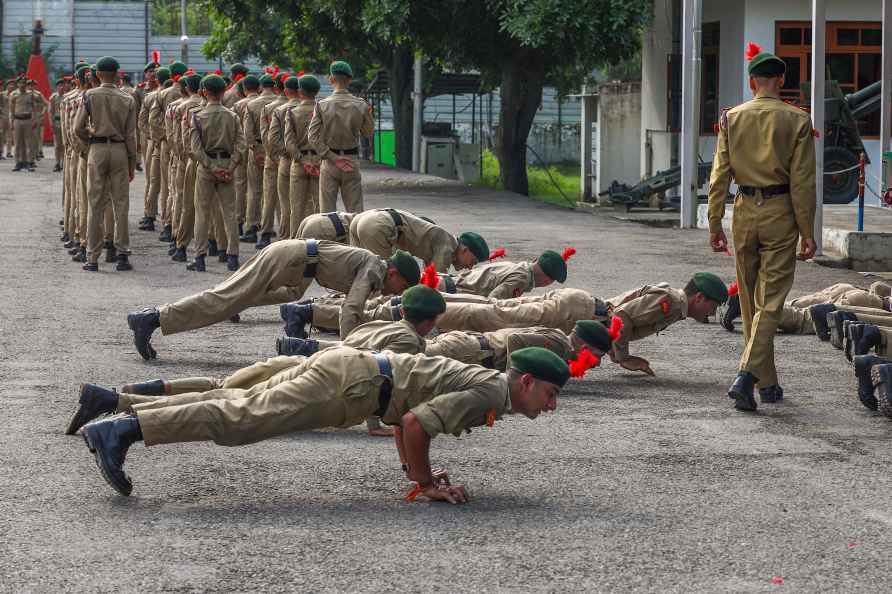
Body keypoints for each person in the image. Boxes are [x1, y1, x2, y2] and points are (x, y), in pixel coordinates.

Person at [75, 346, 569, 501]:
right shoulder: (491, 391)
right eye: (549, 395)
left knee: (239, 400)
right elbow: (417, 422)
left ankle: (122, 419)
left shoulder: (492, 386)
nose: (550, 407)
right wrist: (426, 483)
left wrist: (414, 474)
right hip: (350, 386)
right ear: (525, 381)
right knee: (241, 419)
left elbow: (403, 419)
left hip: (353, 370)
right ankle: (122, 431)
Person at [707, 42, 817, 412]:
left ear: (752, 81)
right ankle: (747, 375)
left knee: (751, 298)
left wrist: (713, 223)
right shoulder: (797, 120)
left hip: (743, 212)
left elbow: (719, 174)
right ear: (780, 80)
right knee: (770, 300)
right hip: (780, 212)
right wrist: (807, 230)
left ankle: (766, 385)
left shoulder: (732, 118)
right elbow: (803, 182)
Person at [126, 242, 420, 360]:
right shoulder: (373, 269)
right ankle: (152, 319)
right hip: (291, 259)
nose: (395, 293)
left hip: (299, 264)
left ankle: (228, 301)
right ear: (393, 272)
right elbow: (350, 311)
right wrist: (350, 353)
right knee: (224, 300)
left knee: (272, 295)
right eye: (401, 286)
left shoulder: (375, 269)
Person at [72, 56, 138, 272]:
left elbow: (77, 128)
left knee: (95, 204)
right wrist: (131, 162)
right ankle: (122, 256)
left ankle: (92, 257)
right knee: (121, 204)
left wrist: (90, 137)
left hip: (97, 149)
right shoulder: (127, 98)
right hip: (119, 150)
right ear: (117, 74)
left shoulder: (89, 95)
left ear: (98, 74)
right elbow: (131, 135)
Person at [185, 74, 246, 272]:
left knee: (203, 212)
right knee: (230, 212)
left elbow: (195, 148)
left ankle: (200, 258)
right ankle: (232, 256)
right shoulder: (233, 116)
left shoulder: (198, 116)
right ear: (223, 92)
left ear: (204, 92)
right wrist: (229, 167)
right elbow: (241, 145)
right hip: (227, 164)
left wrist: (212, 167)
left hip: (206, 166)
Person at [307, 60, 374, 212]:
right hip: (351, 161)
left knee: (327, 213)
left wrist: (332, 157)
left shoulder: (322, 105)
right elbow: (367, 132)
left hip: (330, 162)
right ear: (349, 80)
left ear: (331, 79)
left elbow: (312, 137)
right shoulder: (361, 105)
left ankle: (329, 236)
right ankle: (354, 236)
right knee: (355, 212)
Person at [349, 208, 489, 273]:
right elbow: (435, 283)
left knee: (359, 273)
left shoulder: (442, 239)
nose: (470, 267)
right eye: (473, 261)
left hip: (363, 219)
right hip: (378, 225)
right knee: (383, 277)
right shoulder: (448, 246)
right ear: (465, 250)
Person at [436, 249, 572, 299]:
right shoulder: (522, 278)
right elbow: (492, 304)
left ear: (535, 260)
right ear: (548, 281)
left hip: (443, 282)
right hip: (446, 293)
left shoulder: (517, 267)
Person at [240, 73, 278, 243]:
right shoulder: (282, 104)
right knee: (275, 191)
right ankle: (275, 227)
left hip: (256, 147)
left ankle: (251, 228)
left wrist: (255, 150)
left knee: (254, 190)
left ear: (261, 87)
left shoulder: (252, 105)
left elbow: (247, 132)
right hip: (279, 150)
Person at [283, 74, 322, 236]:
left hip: (299, 163)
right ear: (317, 91)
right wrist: (317, 160)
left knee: (296, 207)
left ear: (300, 92)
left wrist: (303, 160)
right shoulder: (323, 110)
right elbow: (326, 139)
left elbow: (289, 143)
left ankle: (296, 240)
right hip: (320, 163)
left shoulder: (292, 113)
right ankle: (320, 238)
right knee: (320, 207)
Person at [255, 72, 290, 249]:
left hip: (273, 157)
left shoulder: (269, 108)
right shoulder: (298, 106)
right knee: (294, 199)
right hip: (295, 158)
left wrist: (272, 155)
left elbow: (266, 136)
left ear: (277, 88)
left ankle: (266, 233)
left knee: (270, 196)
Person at [267, 75, 302, 241]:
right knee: (308, 202)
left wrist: (286, 152)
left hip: (287, 160)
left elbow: (273, 138)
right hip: (311, 160)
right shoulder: (315, 108)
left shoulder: (279, 110)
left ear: (286, 90)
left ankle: (287, 237)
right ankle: (305, 235)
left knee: (286, 202)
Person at [232, 74, 260, 235]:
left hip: (241, 149)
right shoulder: (267, 103)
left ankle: (238, 220)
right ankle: (255, 221)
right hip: (260, 148)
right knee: (257, 189)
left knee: (240, 185)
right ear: (259, 88)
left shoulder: (238, 105)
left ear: (243, 89)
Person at [10, 77, 36, 171]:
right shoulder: (14, 94)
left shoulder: (30, 94)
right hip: (17, 120)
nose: (22, 84)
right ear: (17, 84)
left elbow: (33, 108)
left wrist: (34, 120)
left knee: (29, 142)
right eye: (20, 83)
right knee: (17, 142)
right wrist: (11, 121)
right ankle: (18, 162)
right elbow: (11, 109)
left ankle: (28, 162)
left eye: (24, 83)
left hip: (28, 120)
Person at [49, 78, 68, 171]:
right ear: (57, 87)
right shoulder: (53, 97)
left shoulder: (67, 96)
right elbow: (50, 111)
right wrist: (51, 123)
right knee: (57, 144)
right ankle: (57, 162)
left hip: (65, 122)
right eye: (59, 85)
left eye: (63, 85)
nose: (61, 87)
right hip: (56, 122)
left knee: (64, 144)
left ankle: (64, 162)